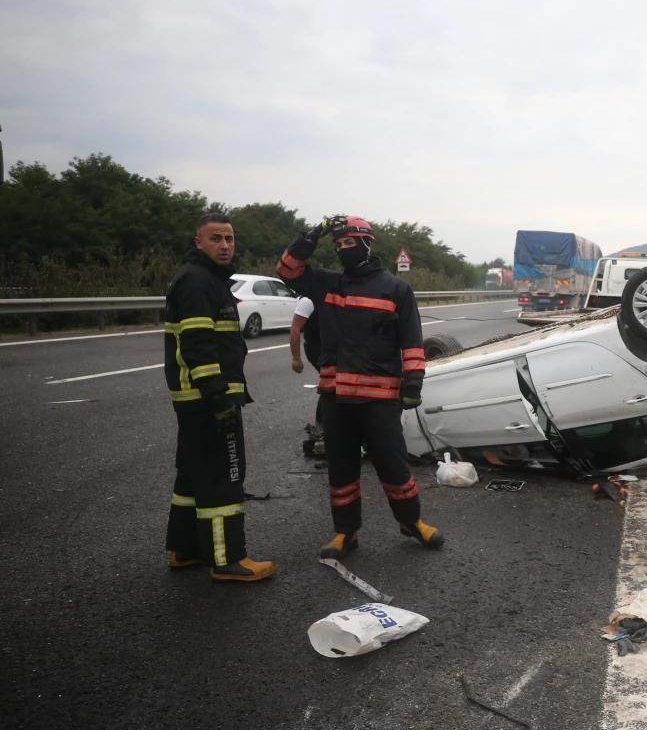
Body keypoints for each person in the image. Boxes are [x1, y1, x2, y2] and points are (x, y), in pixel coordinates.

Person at [276, 214, 443, 558]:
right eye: (337, 245)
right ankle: (345, 533)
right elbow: (287, 271)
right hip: (336, 396)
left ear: (368, 243)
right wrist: (313, 236)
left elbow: (411, 342)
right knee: (341, 467)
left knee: (393, 464)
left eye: (348, 243)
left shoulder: (396, 288)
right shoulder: (327, 283)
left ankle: (411, 522)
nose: (342, 250)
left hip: (380, 398)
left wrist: (413, 383)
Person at [164, 213, 275, 582]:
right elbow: (198, 346)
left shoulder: (206, 279)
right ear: (199, 243)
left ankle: (187, 549)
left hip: (195, 398)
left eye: (229, 238)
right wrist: (218, 399)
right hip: (207, 399)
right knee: (223, 476)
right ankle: (228, 559)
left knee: (193, 474)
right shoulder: (198, 283)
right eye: (216, 238)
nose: (225, 245)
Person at [290, 296, 325, 455]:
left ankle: (325, 423)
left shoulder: (329, 295)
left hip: (330, 347)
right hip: (317, 349)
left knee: (332, 383)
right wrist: (296, 359)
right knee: (330, 383)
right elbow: (295, 329)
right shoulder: (307, 301)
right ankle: (321, 426)